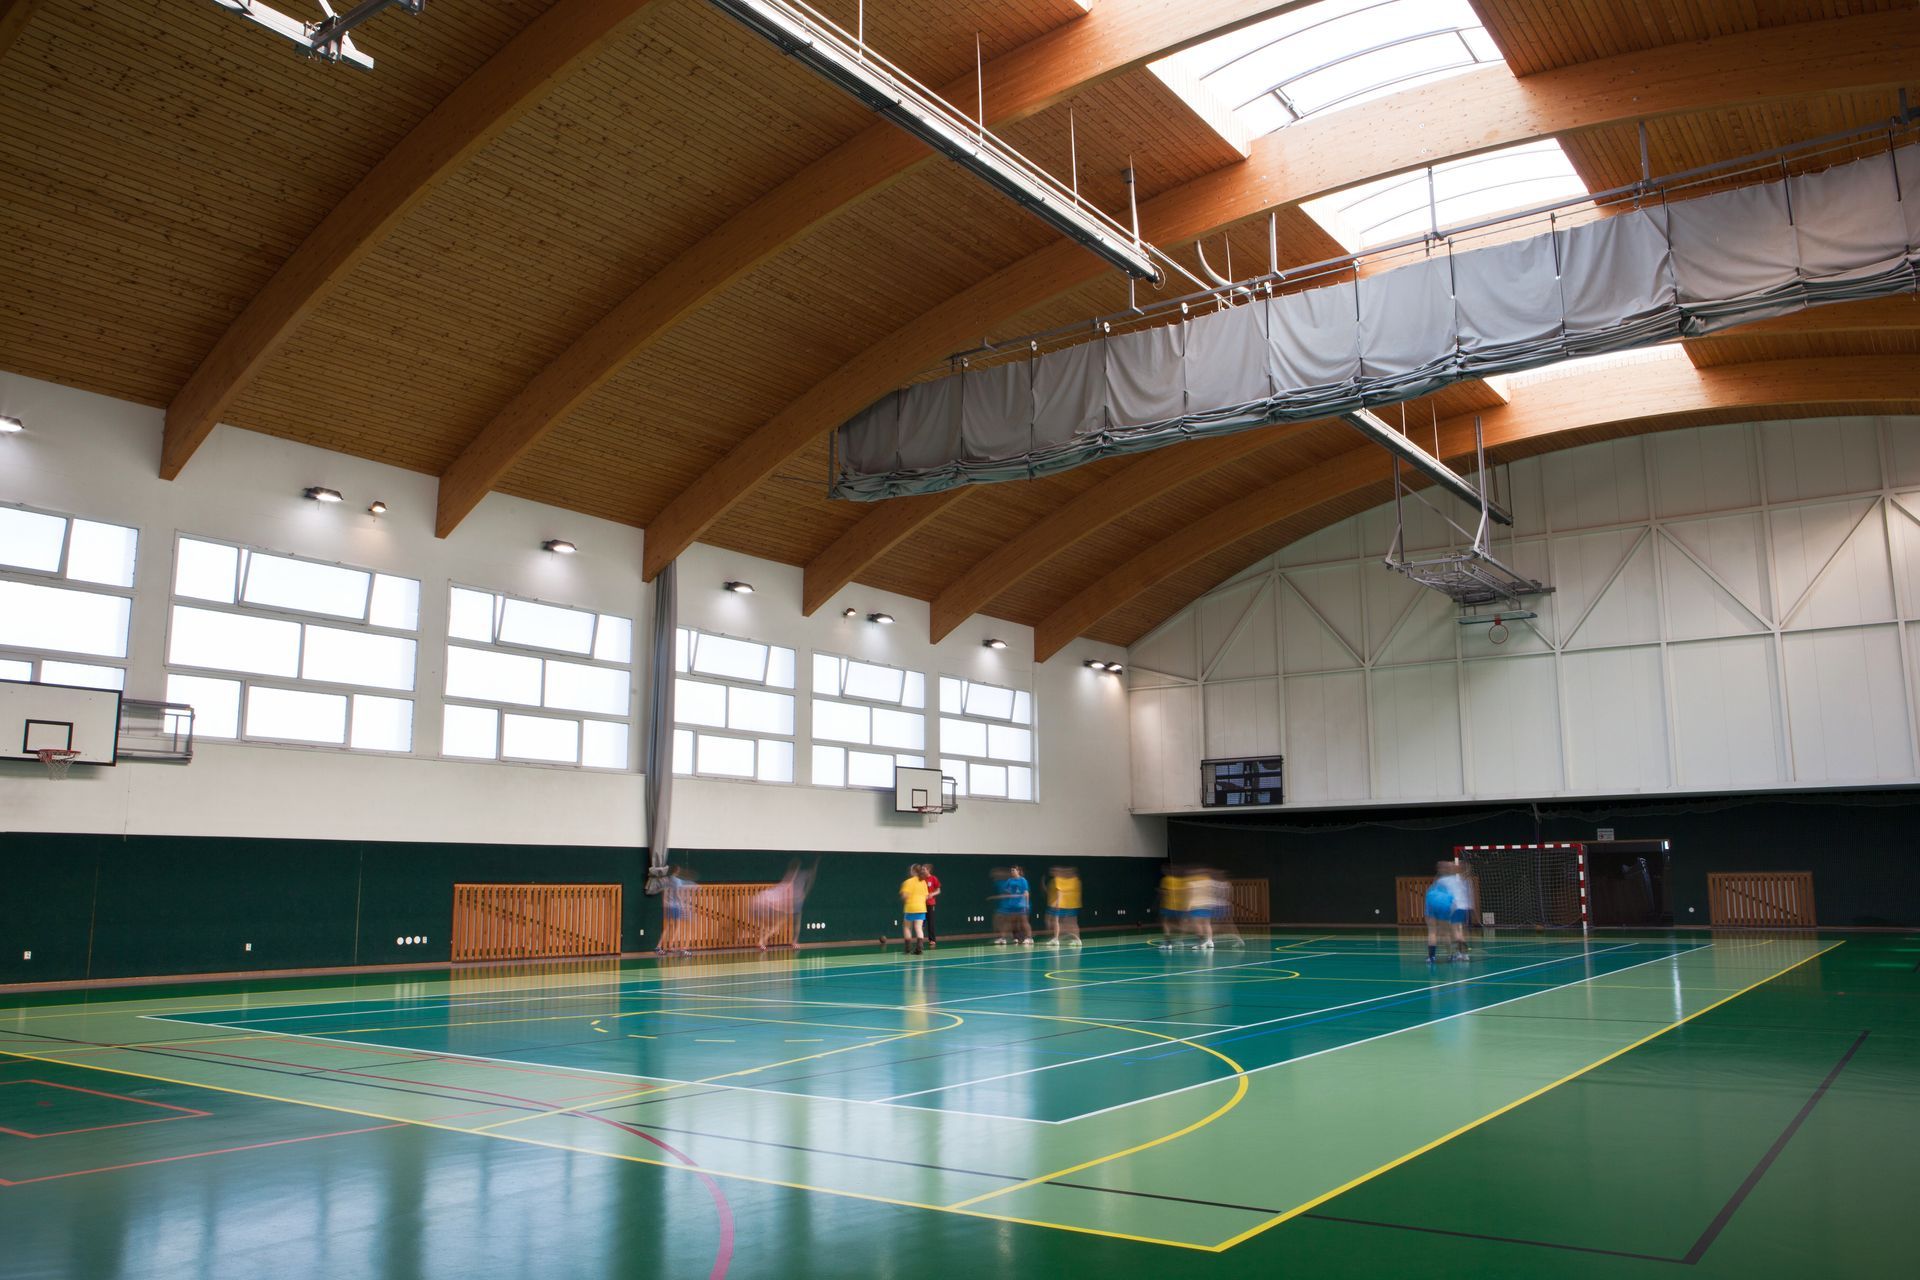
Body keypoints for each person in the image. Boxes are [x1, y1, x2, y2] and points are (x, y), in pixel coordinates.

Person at [1425, 860, 1474, 965]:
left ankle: (1454, 954)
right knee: (1457, 932)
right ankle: (1462, 954)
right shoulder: (1463, 880)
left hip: (1452, 907)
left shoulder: (1444, 881)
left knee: (1451, 932)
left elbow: (1435, 893)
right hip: (1463, 908)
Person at [657, 865, 695, 955]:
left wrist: (665, 903)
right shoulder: (677, 881)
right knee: (677, 925)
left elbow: (664, 893)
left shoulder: (667, 880)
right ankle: (671, 945)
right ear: (677, 871)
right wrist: (682, 905)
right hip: (675, 906)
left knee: (668, 927)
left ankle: (658, 946)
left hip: (668, 906)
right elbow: (677, 893)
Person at [993, 865, 1032, 946]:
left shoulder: (1023, 880)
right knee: (1008, 922)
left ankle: (1029, 938)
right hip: (1012, 905)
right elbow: (1006, 890)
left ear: (1018, 871)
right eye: (1011, 870)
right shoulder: (1009, 880)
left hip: (1021, 905)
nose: (1012, 872)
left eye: (1013, 870)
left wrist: (1027, 905)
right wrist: (1009, 894)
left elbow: (1026, 893)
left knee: (1024, 922)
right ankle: (1003, 938)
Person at [1044, 865, 1082, 946]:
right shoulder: (1073, 881)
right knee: (1069, 922)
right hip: (1068, 905)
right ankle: (1075, 939)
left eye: (1055, 870)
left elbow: (1059, 892)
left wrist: (1057, 903)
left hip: (1063, 905)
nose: (1053, 872)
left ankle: (1057, 939)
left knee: (1060, 922)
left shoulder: (1059, 880)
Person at [899, 865, 930, 955]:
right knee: (919, 928)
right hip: (921, 908)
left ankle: (908, 948)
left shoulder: (908, 882)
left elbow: (905, 896)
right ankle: (919, 948)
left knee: (907, 927)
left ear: (912, 871)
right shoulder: (923, 882)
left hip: (911, 907)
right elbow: (926, 896)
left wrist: (904, 898)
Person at [921, 862, 941, 949]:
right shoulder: (921, 879)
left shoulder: (933, 879)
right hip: (921, 904)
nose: (922, 870)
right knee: (921, 922)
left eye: (923, 869)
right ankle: (920, 940)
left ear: (928, 870)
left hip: (930, 903)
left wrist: (931, 894)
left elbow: (938, 890)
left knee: (930, 922)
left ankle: (932, 940)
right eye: (922, 869)